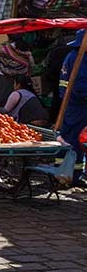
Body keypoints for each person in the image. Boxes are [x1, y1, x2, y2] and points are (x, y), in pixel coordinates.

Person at [58, 29, 87, 183]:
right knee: (76, 140)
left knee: (71, 138)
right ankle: (72, 175)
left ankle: (68, 172)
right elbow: (80, 86)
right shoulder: (79, 58)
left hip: (72, 104)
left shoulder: (73, 56)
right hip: (78, 105)